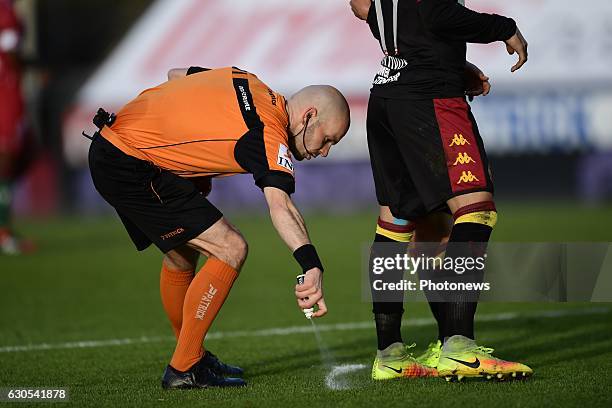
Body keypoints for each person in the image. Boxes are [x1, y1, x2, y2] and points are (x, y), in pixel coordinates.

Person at [87, 66, 350, 389]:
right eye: (327, 140)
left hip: (116, 145)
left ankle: (191, 354)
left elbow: (177, 75)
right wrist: (311, 265)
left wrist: (192, 154)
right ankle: (183, 368)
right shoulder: (269, 133)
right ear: (309, 116)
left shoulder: (245, 79)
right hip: (131, 164)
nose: (324, 152)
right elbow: (281, 206)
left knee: (182, 256)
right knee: (231, 247)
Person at [349, 0, 532, 381]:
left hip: (388, 95)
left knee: (402, 221)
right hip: (428, 98)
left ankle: (390, 353)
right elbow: (436, 12)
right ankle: (459, 347)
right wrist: (505, 28)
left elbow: (363, 6)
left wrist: (441, 58)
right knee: (476, 208)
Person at [0, 0, 34, 255]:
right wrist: (30, 67)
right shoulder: (5, 11)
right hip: (5, 95)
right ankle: (3, 234)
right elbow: (10, 49)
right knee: (8, 159)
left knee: (25, 154)